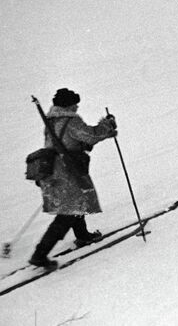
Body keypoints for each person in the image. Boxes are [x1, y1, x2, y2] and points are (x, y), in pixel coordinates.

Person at [29, 88, 117, 268]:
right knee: (67, 213)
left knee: (76, 202)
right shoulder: (70, 121)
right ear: (68, 105)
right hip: (66, 171)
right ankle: (40, 254)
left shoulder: (51, 121)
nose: (77, 106)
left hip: (52, 170)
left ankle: (83, 235)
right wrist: (107, 125)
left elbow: (68, 142)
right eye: (75, 103)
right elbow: (91, 135)